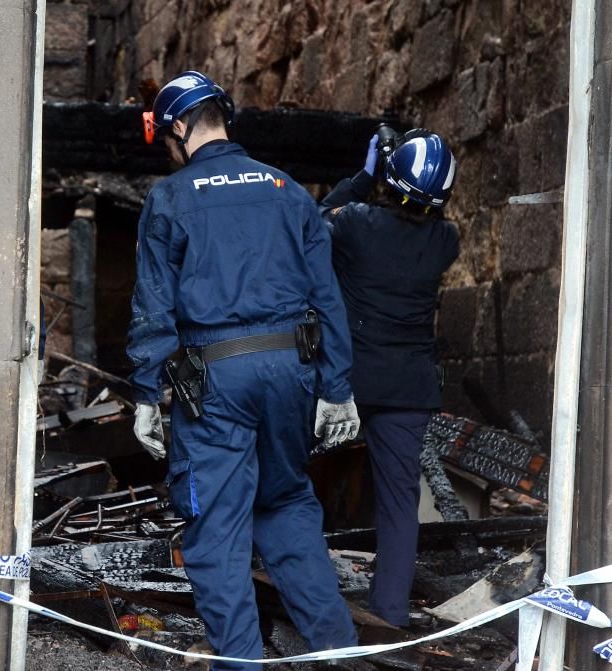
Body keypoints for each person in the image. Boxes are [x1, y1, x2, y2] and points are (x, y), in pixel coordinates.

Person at [127, 71, 361, 670]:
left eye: (167, 139)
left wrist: (148, 395)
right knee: (284, 505)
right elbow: (327, 297)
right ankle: (338, 652)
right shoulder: (288, 190)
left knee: (218, 526)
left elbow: (155, 303)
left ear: (178, 126)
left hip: (216, 380)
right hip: (292, 372)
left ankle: (239, 662)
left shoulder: (172, 198)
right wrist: (337, 389)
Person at [319, 128, 460, 627]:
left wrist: (363, 177)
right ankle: (390, 616)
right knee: (400, 503)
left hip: (345, 380)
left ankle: (302, 592)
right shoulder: (447, 241)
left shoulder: (355, 224)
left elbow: (312, 224)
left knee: (288, 482)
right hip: (408, 387)